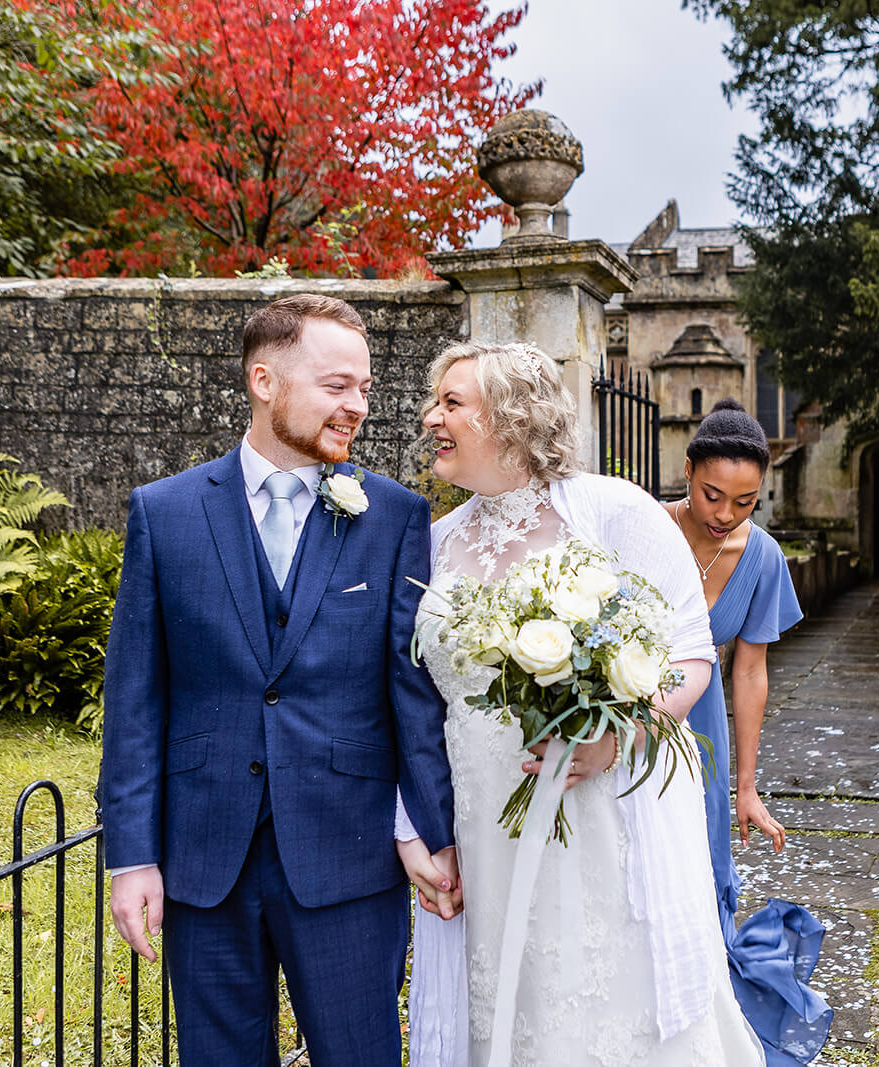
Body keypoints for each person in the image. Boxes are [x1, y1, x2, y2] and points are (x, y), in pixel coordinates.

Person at [99, 294, 458, 1065]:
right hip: (205, 861)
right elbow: (135, 697)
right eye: (337, 385)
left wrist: (431, 829)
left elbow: (412, 691)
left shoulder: (395, 517)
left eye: (363, 387)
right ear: (264, 380)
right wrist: (132, 858)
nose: (357, 405)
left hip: (349, 854)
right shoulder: (165, 513)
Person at [401, 340, 764, 1067]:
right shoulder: (432, 542)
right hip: (480, 826)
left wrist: (620, 733)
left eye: (452, 402)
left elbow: (691, 655)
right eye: (433, 400)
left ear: (510, 417)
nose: (430, 416)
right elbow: (408, 700)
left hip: (598, 817)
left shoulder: (612, 511)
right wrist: (414, 827)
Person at [664, 399, 831, 1066]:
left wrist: (746, 786)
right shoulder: (645, 527)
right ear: (687, 470)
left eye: (745, 501)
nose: (725, 514)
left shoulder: (761, 556)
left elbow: (751, 671)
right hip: (630, 716)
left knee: (702, 875)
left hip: (702, 733)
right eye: (711, 494)